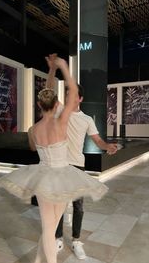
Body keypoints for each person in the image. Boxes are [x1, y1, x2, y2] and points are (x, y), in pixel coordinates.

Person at [0, 55, 109, 263]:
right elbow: (73, 91)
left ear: (39, 104)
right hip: (64, 174)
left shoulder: (33, 129)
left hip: (44, 176)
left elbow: (32, 145)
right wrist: (63, 68)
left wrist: (51, 72)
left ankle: (40, 260)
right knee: (50, 228)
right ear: (56, 102)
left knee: (49, 228)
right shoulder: (61, 122)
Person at [45, 54, 117, 259]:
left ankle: (76, 241)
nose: (68, 96)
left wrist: (107, 146)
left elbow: (97, 140)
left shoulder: (86, 119)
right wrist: (52, 70)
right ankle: (58, 238)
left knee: (78, 205)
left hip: (77, 166)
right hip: (59, 165)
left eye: (72, 94)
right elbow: (49, 90)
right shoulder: (59, 110)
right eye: (67, 93)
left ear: (80, 98)